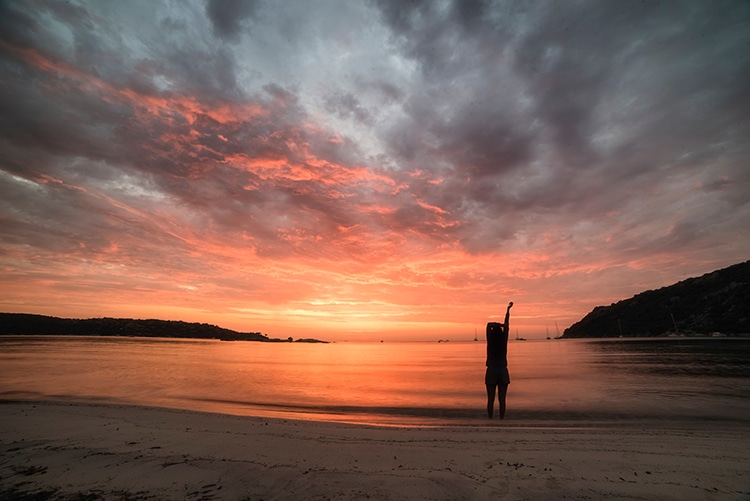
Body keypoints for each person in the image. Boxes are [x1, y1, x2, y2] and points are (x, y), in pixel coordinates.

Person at [485, 301, 513, 419]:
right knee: (502, 399)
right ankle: (502, 419)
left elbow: (488, 325)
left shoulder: (490, 341)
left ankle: (490, 419)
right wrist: (508, 310)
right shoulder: (503, 341)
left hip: (491, 370)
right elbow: (507, 325)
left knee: (490, 399)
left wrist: (496, 325)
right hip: (502, 370)